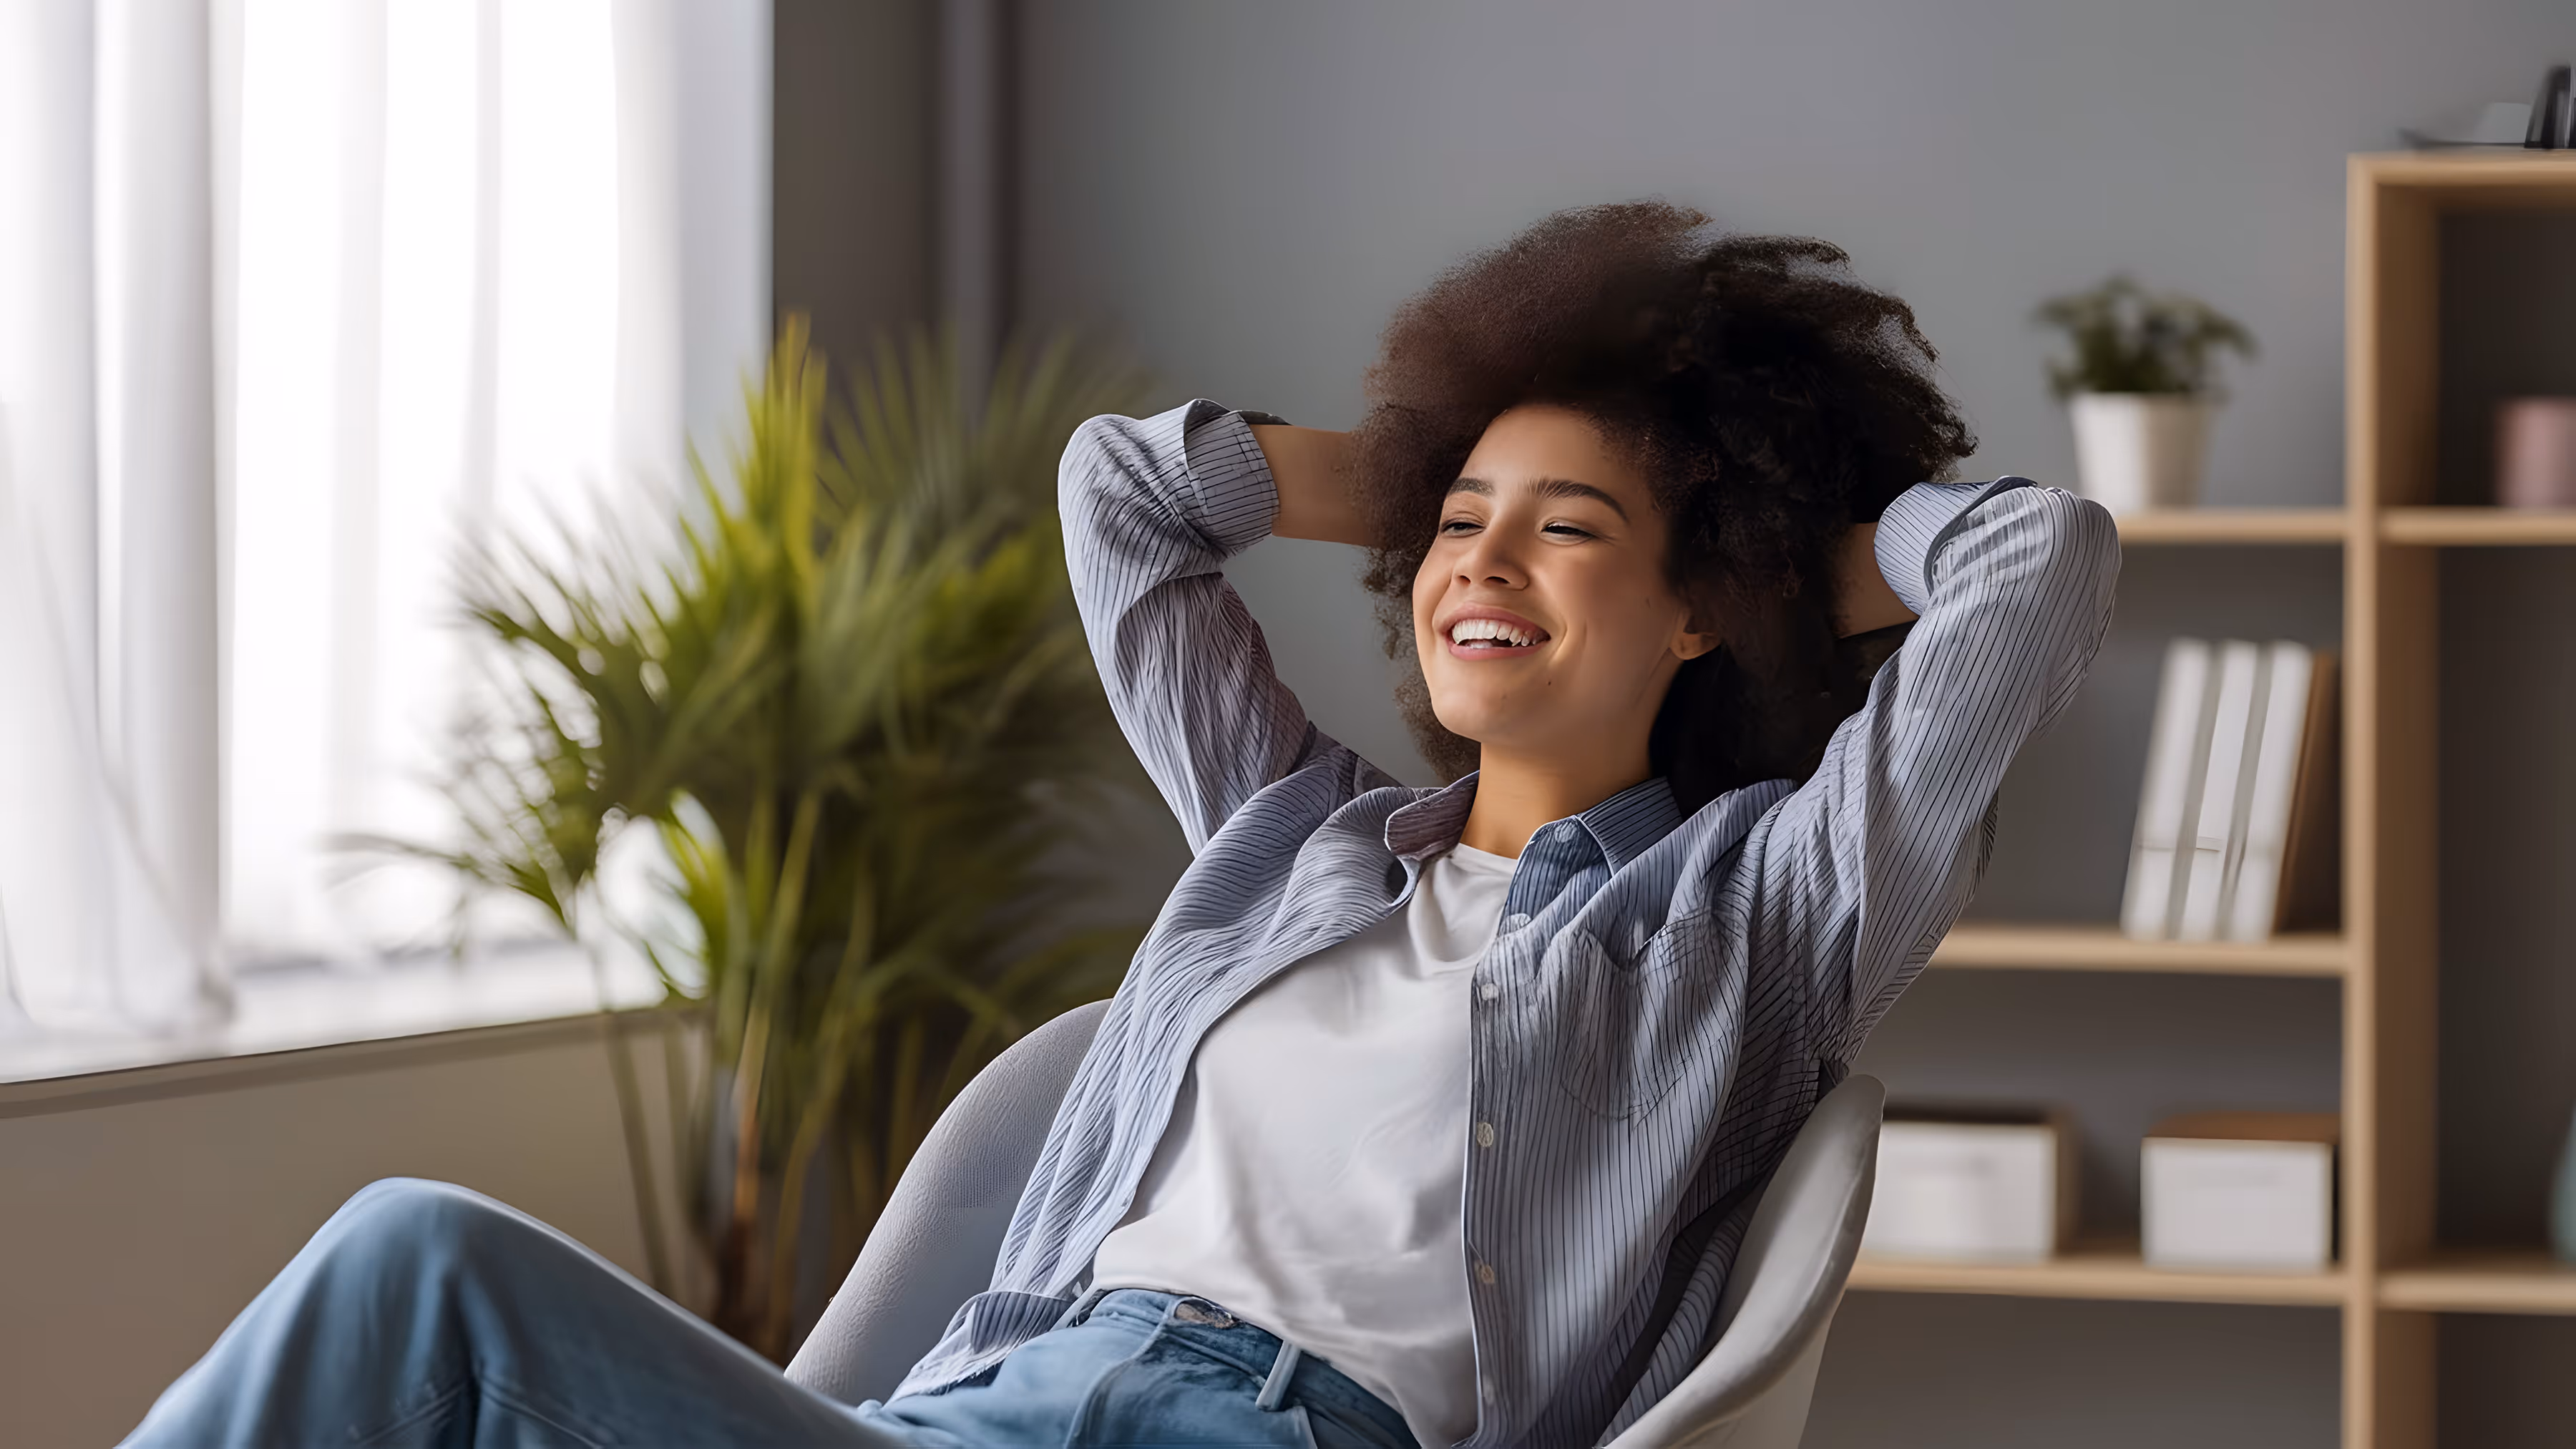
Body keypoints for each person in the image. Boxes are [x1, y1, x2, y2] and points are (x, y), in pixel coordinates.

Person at [123, 201, 2117, 1449]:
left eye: (1568, 532)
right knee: (411, 1269)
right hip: (987, 1408)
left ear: (1703, 608)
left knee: (411, 1269)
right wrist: (1435, 477)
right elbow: (1126, 499)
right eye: (1455, 527)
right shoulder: (1294, 839)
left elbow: (2039, 564)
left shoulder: (1755, 919)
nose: (1479, 564)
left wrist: (1781, 556)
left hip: (1274, 1435)